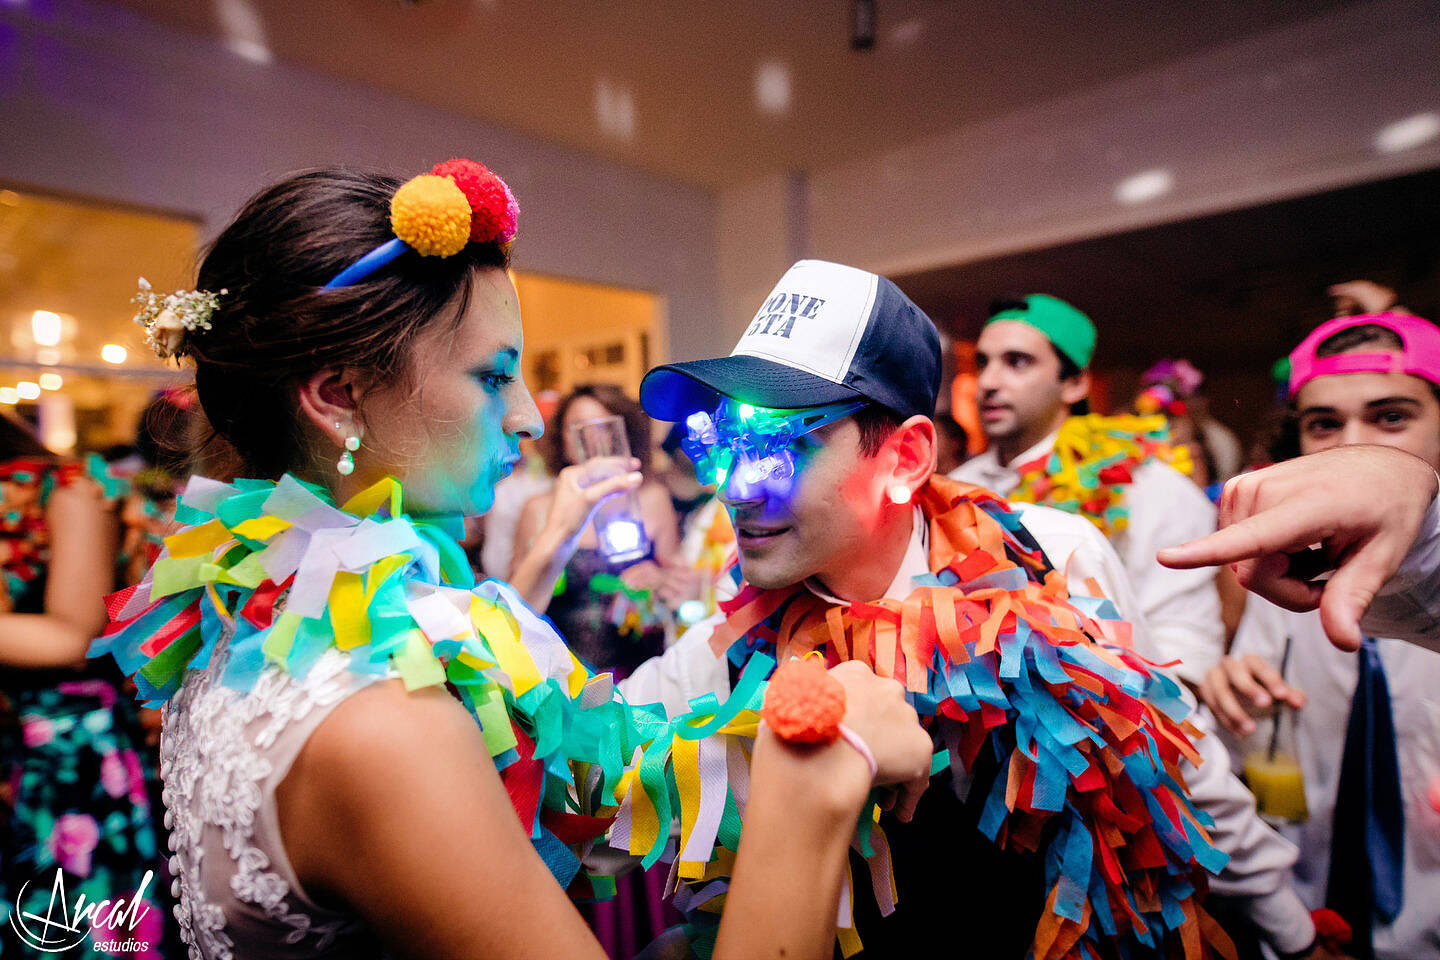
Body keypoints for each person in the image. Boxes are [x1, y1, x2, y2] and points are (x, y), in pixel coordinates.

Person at [86, 162, 933, 960]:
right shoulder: (377, 723)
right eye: (493, 377)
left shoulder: (264, 617)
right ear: (340, 397)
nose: (530, 417)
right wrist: (822, 766)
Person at [618, 259, 1327, 959]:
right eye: (728, 441)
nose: (738, 488)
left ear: (905, 458)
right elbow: (598, 764)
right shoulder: (739, 625)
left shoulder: (1052, 558)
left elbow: (1177, 768)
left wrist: (1295, 936)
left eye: (785, 445)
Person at [1192, 313, 1440, 960]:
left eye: (1391, 417)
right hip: (1308, 919)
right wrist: (1225, 695)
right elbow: (1262, 766)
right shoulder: (1283, 581)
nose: (1353, 448)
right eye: (1324, 424)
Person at [953, 295, 1227, 686]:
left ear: (1075, 383)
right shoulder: (956, 487)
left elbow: (1186, 645)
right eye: (983, 363)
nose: (988, 383)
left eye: (1016, 361)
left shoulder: (1144, 485)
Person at [0, 410, 170, 956]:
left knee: (70, 931)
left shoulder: (69, 490)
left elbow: (73, 634)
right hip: (13, 745)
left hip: (67, 750)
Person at [511, 384, 680, 677]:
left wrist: (660, 579)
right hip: (562, 674)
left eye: (603, 426)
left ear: (622, 433)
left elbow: (680, 584)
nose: (592, 439)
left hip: (643, 671)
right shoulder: (538, 509)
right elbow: (514, 605)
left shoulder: (653, 498)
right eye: (577, 428)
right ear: (561, 439)